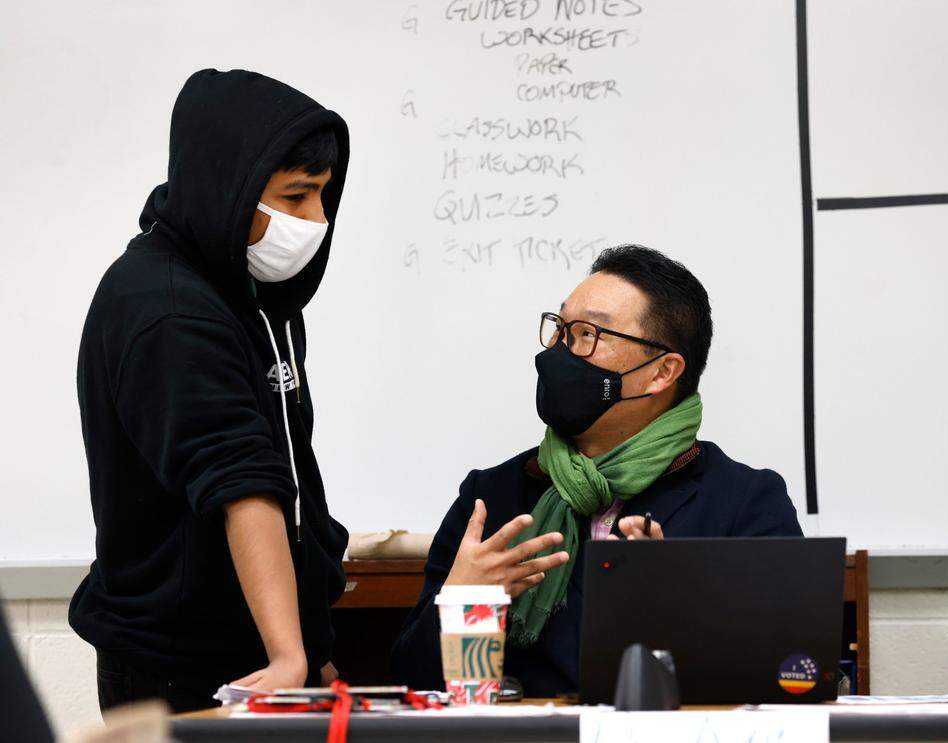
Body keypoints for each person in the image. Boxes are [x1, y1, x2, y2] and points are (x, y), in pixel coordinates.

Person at [391, 245, 803, 696]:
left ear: (662, 371)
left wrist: (681, 610)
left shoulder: (743, 502)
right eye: (561, 330)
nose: (557, 353)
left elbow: (789, 677)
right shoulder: (493, 498)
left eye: (587, 334)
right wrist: (463, 601)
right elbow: (420, 683)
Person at [70, 69, 351, 713]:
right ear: (230, 185)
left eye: (323, 196)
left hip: (259, 657)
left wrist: (308, 646)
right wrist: (288, 656)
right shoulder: (171, 311)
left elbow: (287, 464)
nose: (317, 220)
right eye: (297, 196)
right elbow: (242, 481)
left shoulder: (250, 292)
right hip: (182, 670)